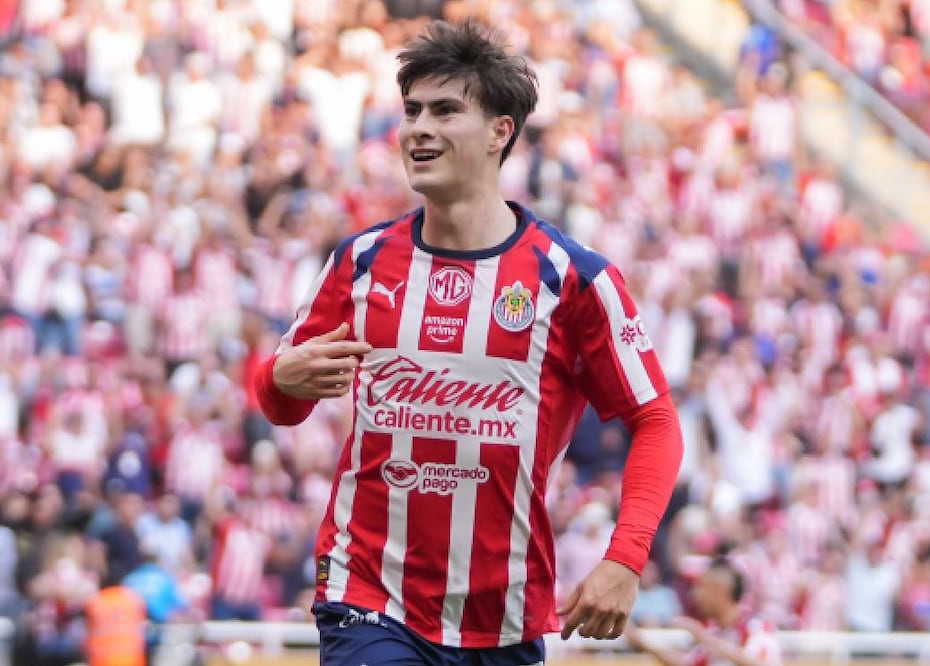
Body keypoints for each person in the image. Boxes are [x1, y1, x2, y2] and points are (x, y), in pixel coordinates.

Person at [253, 19, 683, 665]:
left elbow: (654, 420)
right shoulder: (361, 261)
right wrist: (277, 379)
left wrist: (625, 557)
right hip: (367, 595)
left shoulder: (572, 279)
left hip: (504, 615)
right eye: (411, 111)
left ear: (498, 132)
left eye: (445, 110)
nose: (418, 128)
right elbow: (282, 402)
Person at [625, 558, 782, 666]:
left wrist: (705, 639)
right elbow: (686, 664)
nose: (694, 594)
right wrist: (641, 641)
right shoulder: (715, 633)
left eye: (701, 586)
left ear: (719, 590)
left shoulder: (757, 629)